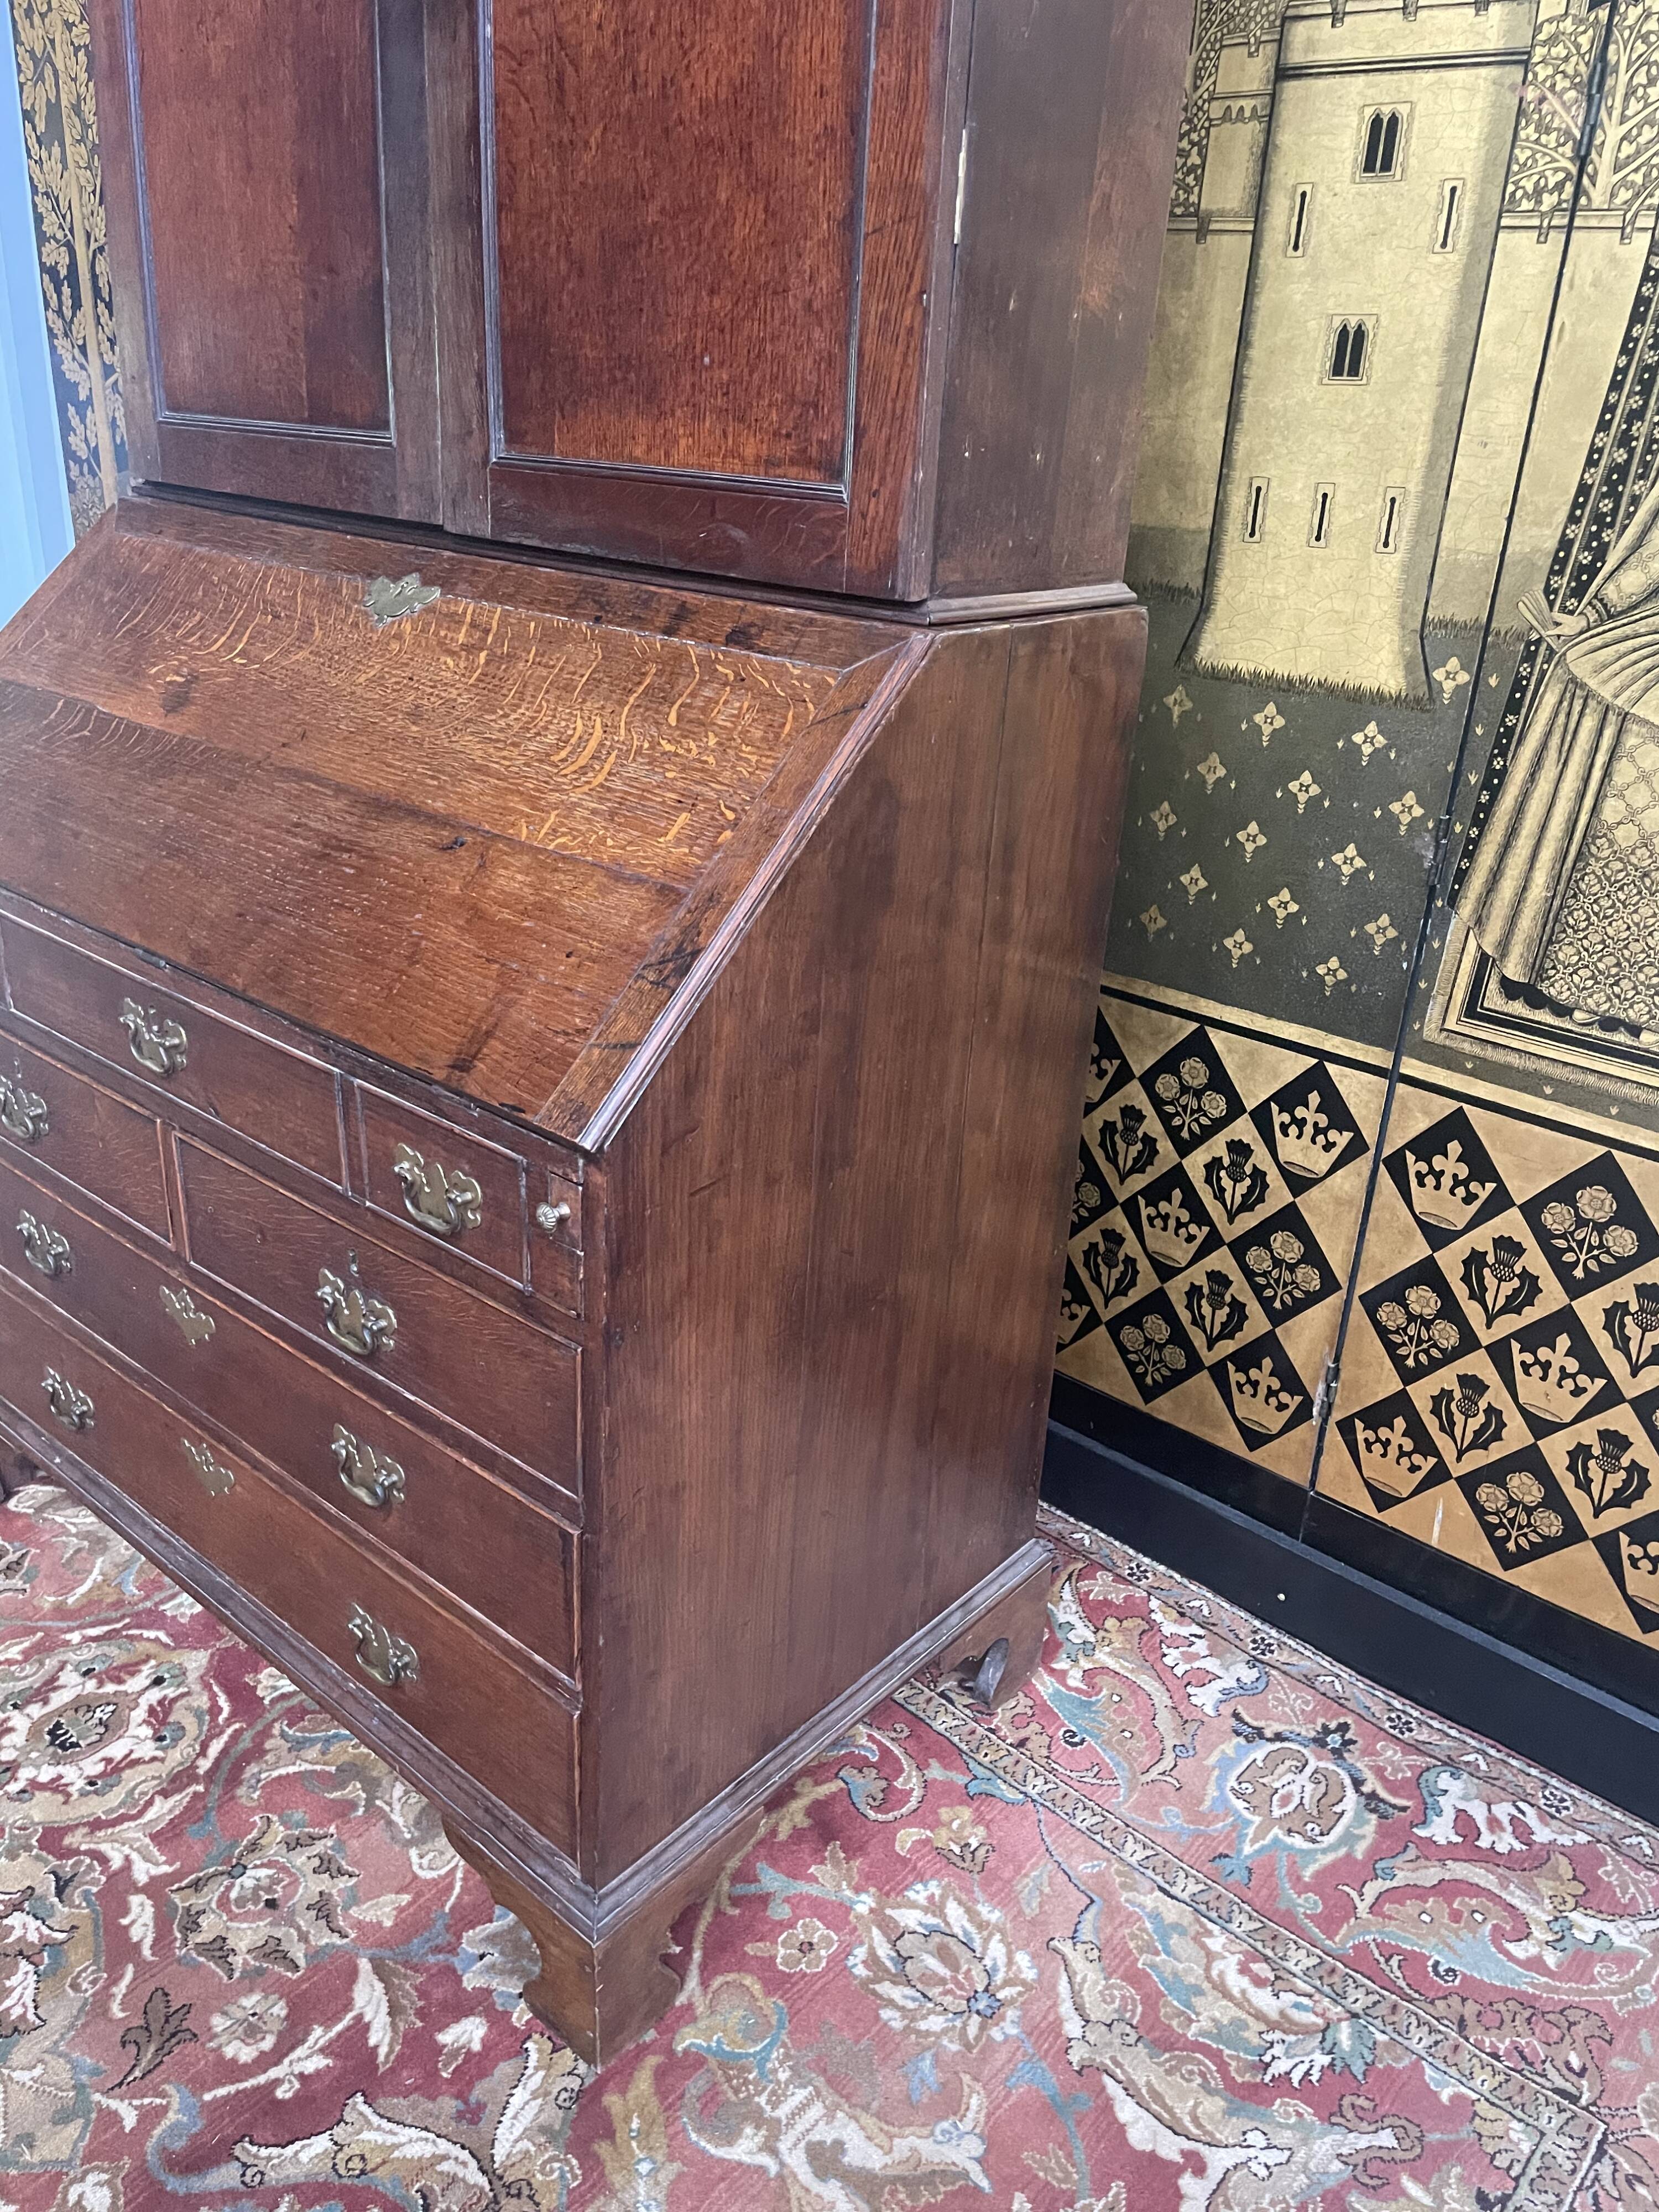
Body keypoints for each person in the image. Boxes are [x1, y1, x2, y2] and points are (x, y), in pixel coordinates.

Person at [1457, 469, 1659, 1034]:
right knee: (1612, 834)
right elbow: (1650, 562)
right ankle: (1576, 982)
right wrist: (1593, 617)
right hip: (1645, 658)